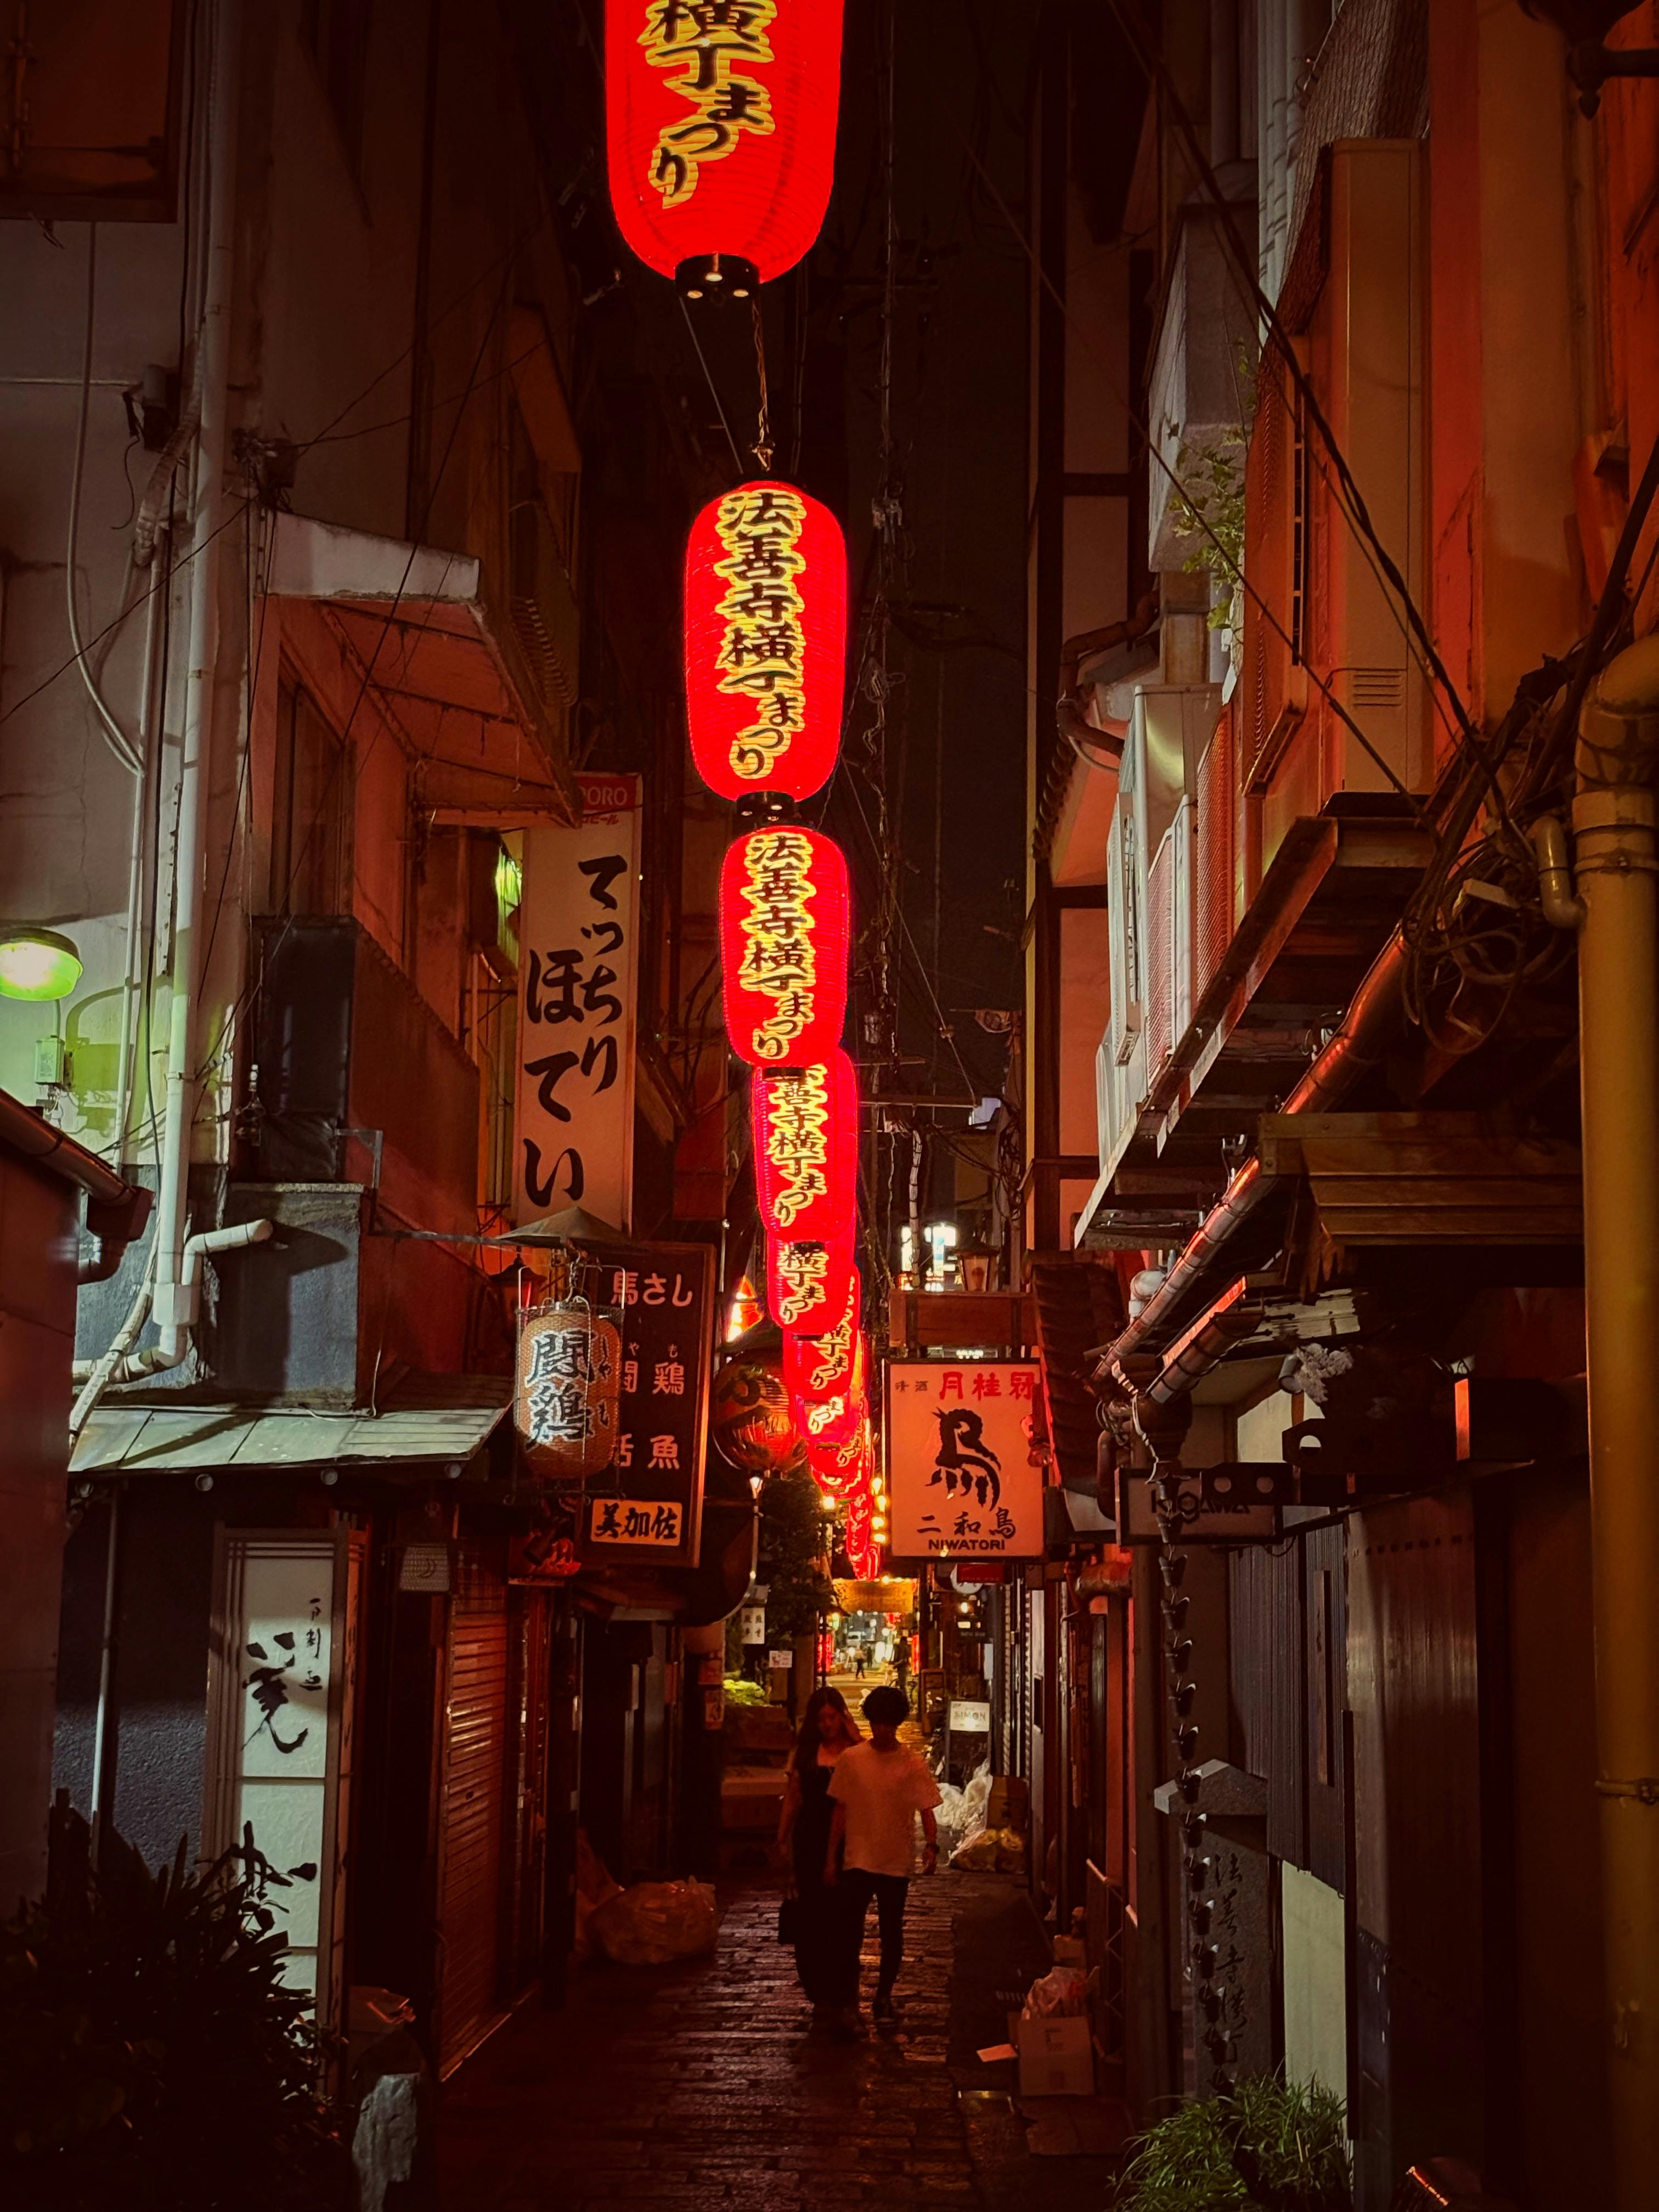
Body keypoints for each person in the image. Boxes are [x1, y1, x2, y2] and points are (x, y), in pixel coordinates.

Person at [825, 1685, 942, 2024]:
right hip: (858, 1857)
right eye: (878, 1723)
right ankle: (850, 1999)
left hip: (895, 1860)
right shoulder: (853, 1760)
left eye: (888, 1723)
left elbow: (926, 1809)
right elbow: (840, 1811)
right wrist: (831, 1857)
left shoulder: (911, 1763)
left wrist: (931, 1847)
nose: (882, 1730)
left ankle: (884, 1995)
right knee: (851, 1933)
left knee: (893, 1933)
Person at [776, 1687, 862, 2030]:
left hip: (850, 1842)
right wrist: (781, 1838)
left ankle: (846, 1996)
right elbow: (794, 1797)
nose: (827, 1725)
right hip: (810, 1837)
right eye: (821, 1719)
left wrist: (855, 1736)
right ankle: (820, 1996)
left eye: (833, 1717)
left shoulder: (856, 1754)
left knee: (844, 1921)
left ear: (842, 1716)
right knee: (811, 1920)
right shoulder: (805, 1752)